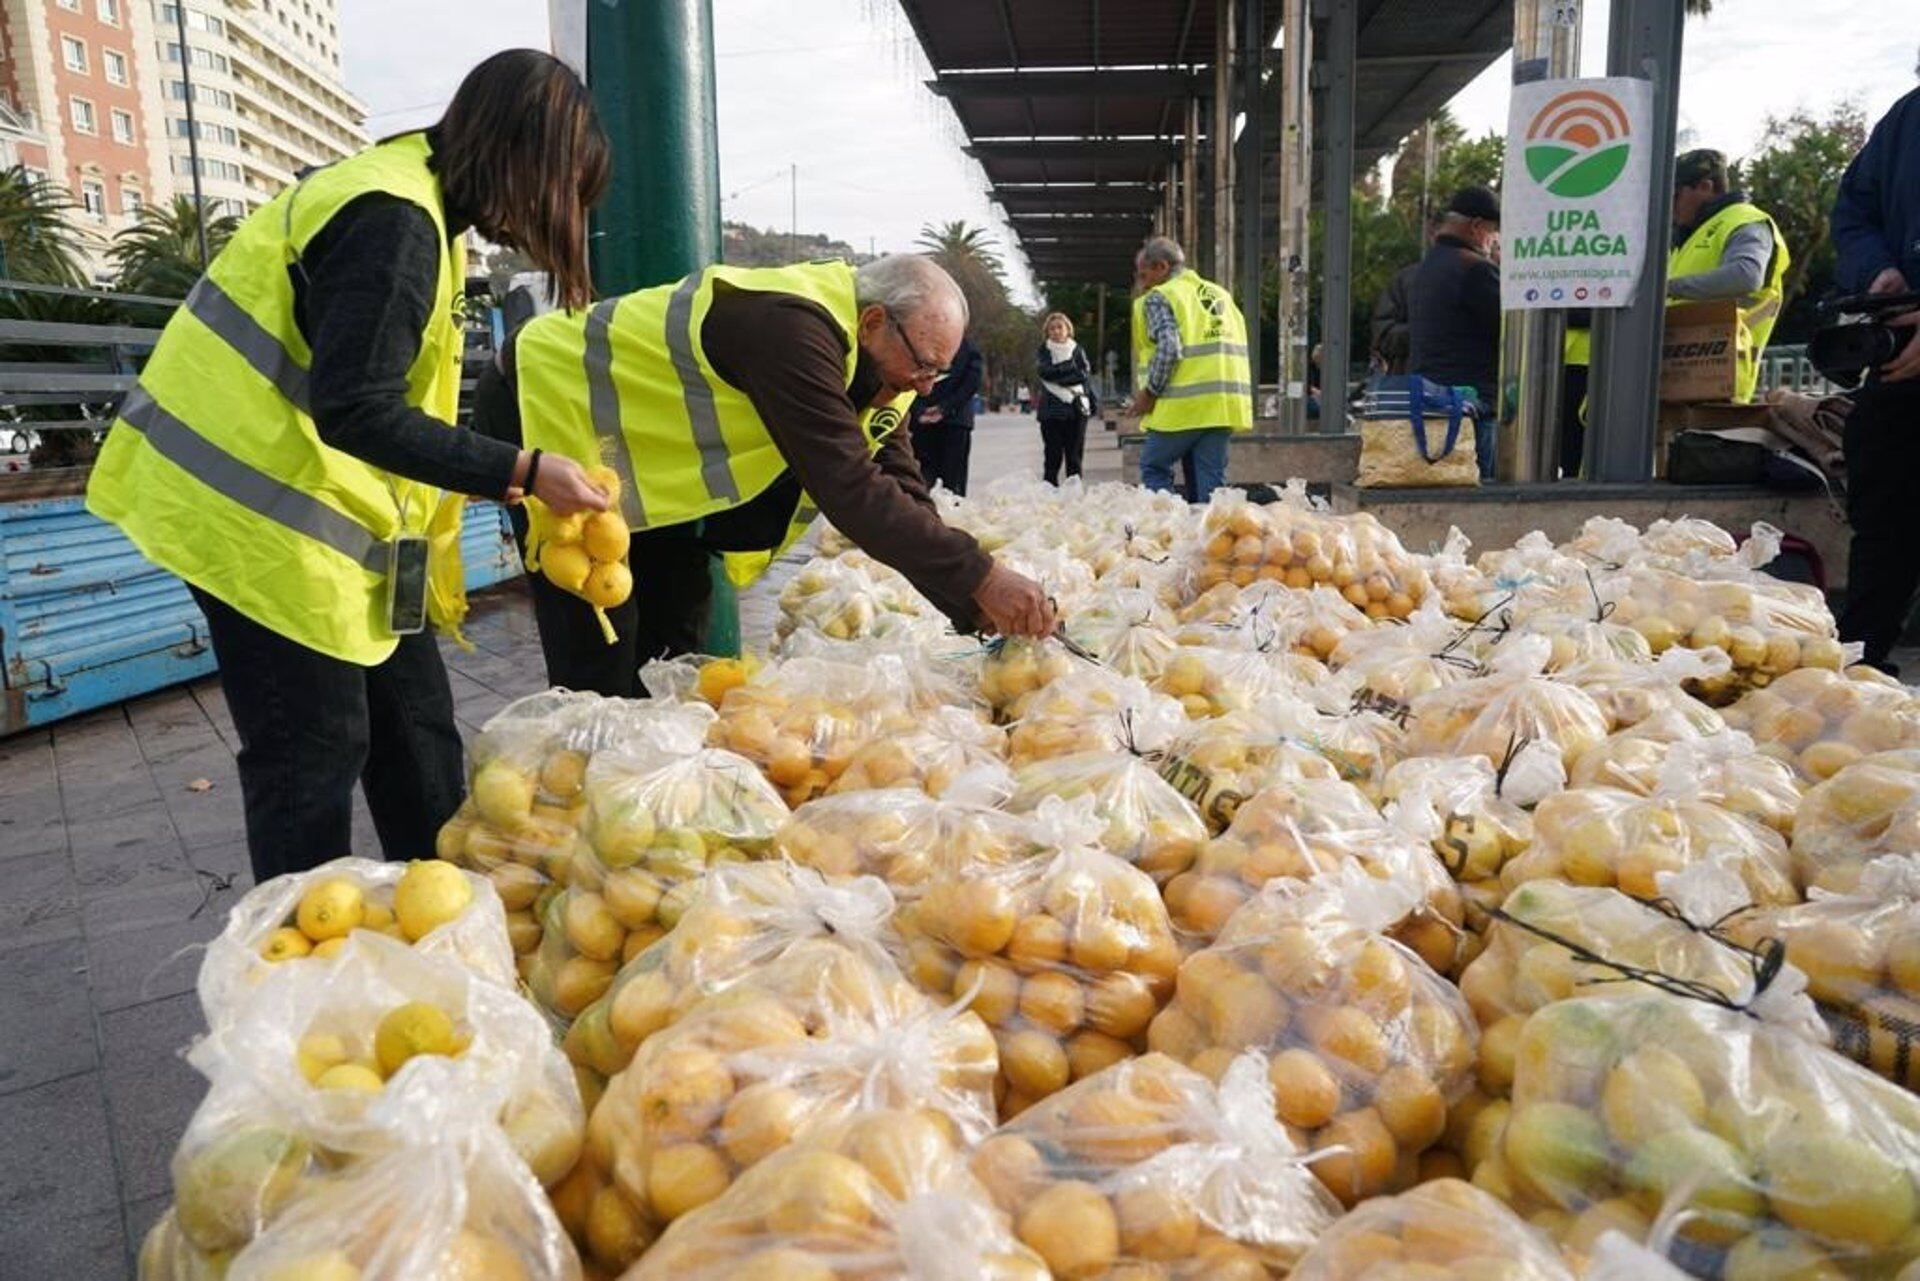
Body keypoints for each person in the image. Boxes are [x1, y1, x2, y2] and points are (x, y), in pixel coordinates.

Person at [85, 50, 613, 882]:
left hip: (325, 520)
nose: (555, 217)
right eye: (563, 189)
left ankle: (450, 909)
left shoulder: (418, 207)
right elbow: (360, 407)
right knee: (311, 751)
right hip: (250, 513)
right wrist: (524, 467)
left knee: (415, 722)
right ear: (526, 158)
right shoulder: (393, 220)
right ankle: (299, 966)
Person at [479, 254, 1056, 696]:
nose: (929, 385)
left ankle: (654, 775)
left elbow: (902, 489)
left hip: (655, 481)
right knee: (599, 631)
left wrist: (972, 602)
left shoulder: (883, 367)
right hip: (549, 406)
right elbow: (850, 486)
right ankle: (579, 799)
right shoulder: (793, 330)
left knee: (676, 646)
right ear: (874, 321)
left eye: (941, 370)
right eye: (925, 364)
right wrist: (982, 576)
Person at [1831, 88, 1920, 674]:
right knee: (1884, 518)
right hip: (1899, 359)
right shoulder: (1907, 118)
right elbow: (1853, 213)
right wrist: (1880, 271)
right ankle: (1858, 674)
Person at [1127, 235, 1254, 502]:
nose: (1143, 283)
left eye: (1144, 274)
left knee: (1154, 466)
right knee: (1210, 486)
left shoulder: (1161, 297)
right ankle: (1210, 539)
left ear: (1162, 267)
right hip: (1222, 407)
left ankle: (1166, 530)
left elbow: (1169, 348)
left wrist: (1149, 393)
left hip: (1182, 409)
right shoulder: (1219, 294)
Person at [1666, 148, 1791, 404]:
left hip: (1718, 379)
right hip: (1681, 373)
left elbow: (1745, 276)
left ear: (1705, 187)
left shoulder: (1745, 220)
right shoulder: (1687, 236)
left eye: (1675, 195)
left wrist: (1666, 287)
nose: (1670, 205)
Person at [1407, 185, 1502, 479]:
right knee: (1480, 496)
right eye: (1493, 230)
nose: (1494, 239)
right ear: (1476, 226)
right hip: (1472, 405)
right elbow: (1506, 329)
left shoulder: (1425, 269)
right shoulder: (1474, 269)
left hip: (1432, 403)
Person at [908, 333, 982, 495]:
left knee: (953, 483)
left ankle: (952, 517)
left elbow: (972, 382)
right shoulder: (914, 340)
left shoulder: (968, 347)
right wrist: (918, 411)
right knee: (921, 479)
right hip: (922, 423)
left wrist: (945, 408)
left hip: (955, 422)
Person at [1035, 312, 1094, 485]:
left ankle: (1074, 494)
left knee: (1074, 456)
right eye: (1052, 328)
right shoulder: (1043, 350)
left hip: (1076, 409)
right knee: (1052, 457)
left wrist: (1058, 374)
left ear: (1068, 329)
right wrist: (1069, 368)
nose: (1056, 331)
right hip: (1051, 411)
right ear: (1047, 332)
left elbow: (1082, 374)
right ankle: (1050, 493)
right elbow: (1044, 372)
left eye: (1060, 327)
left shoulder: (1077, 350)